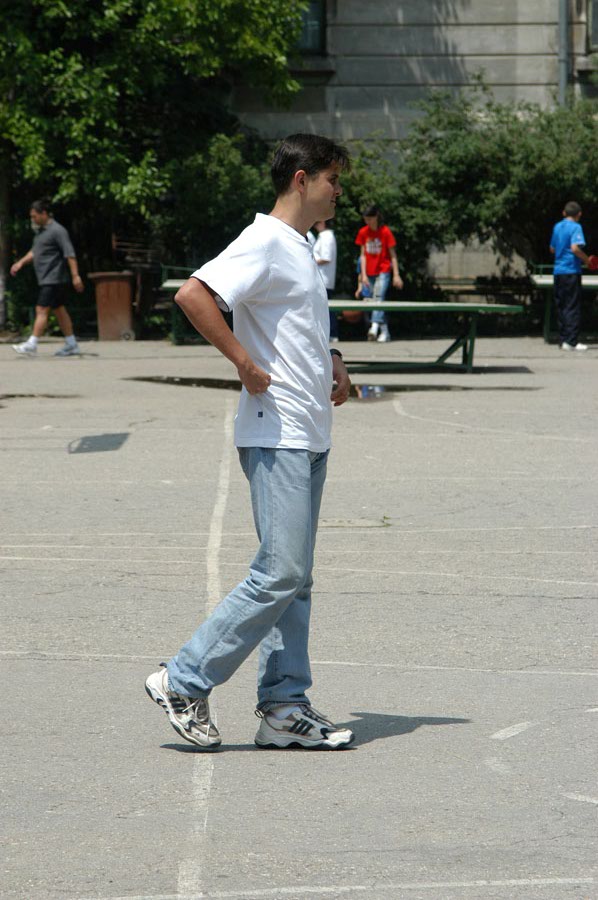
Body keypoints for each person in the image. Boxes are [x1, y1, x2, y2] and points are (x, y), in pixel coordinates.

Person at [145, 133, 354, 751]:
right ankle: (183, 679)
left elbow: (295, 325)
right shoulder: (264, 239)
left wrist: (334, 358)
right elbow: (193, 295)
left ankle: (284, 706)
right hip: (276, 431)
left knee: (296, 578)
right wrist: (241, 361)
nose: (339, 191)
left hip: (308, 430)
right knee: (280, 571)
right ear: (301, 179)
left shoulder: (301, 247)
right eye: (333, 179)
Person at [11, 198, 84, 357]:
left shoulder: (58, 231)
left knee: (41, 309)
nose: (32, 219)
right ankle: (71, 344)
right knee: (59, 310)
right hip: (46, 278)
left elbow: (70, 254)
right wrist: (20, 263)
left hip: (54, 278)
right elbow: (34, 251)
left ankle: (32, 344)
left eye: (34, 216)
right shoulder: (41, 232)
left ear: (44, 213)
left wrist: (75, 276)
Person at [355, 204, 403, 342]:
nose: (367, 222)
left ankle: (374, 328)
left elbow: (393, 255)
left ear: (376, 217)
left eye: (370, 219)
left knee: (379, 297)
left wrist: (396, 275)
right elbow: (362, 256)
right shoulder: (363, 232)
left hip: (383, 270)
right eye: (365, 219)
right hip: (369, 271)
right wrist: (363, 275)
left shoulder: (385, 232)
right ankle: (385, 332)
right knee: (374, 301)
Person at [550, 200, 592, 351]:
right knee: (572, 306)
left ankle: (563, 339)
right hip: (571, 271)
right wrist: (587, 260)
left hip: (558, 271)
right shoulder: (576, 227)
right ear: (579, 214)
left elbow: (552, 249)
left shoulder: (557, 227)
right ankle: (571, 341)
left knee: (561, 306)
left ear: (564, 213)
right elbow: (575, 248)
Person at [312, 219, 339, 340]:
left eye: (316, 223)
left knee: (327, 308)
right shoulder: (325, 236)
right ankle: (330, 333)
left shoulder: (326, 236)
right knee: (326, 307)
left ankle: (332, 333)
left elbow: (326, 258)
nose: (315, 226)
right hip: (323, 278)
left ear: (322, 222)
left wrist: (309, 261)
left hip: (324, 279)